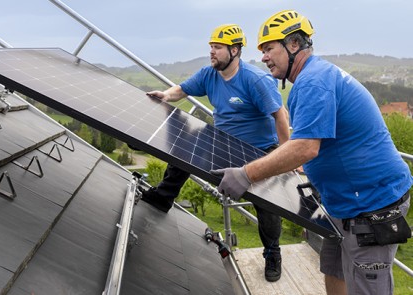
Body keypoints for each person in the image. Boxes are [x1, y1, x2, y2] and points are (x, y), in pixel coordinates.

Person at [211, 10, 413, 295]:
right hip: (345, 203)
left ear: (293, 45)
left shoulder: (313, 81)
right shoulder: (315, 76)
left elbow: (305, 147)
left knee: (369, 288)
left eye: (269, 48)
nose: (264, 57)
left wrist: (246, 174)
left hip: (371, 204)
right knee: (333, 267)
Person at [142, 24, 290, 282]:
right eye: (211, 46)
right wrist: (165, 95)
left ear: (234, 50)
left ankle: (272, 253)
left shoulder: (255, 80)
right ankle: (163, 197)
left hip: (258, 150)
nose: (211, 52)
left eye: (217, 47)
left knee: (266, 203)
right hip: (223, 143)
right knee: (189, 142)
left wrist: (286, 156)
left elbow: (280, 115)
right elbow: (182, 90)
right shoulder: (209, 74)